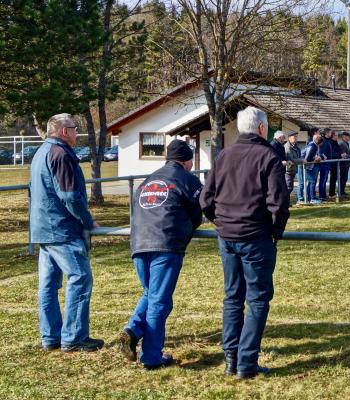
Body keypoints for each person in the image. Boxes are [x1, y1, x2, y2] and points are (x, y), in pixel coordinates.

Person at [200, 106, 290, 380]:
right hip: (255, 236)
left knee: (232, 296)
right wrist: (275, 232)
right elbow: (279, 202)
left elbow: (205, 199)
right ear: (262, 129)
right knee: (258, 299)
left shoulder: (224, 155)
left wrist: (221, 221)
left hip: (227, 236)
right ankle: (246, 362)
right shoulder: (268, 157)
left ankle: (231, 358)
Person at [118, 139, 203, 370]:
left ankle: (132, 331)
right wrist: (189, 226)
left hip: (138, 243)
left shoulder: (148, 180)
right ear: (187, 161)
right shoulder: (187, 179)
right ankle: (152, 357)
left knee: (151, 293)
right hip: (165, 244)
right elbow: (200, 209)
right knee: (159, 302)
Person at [30, 113, 103, 352]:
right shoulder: (60, 154)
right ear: (63, 132)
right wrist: (88, 221)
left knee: (48, 286)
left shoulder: (41, 152)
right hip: (62, 230)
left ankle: (51, 337)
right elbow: (70, 196)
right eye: (74, 128)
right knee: (80, 278)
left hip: (43, 229)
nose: (76, 133)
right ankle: (74, 337)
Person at [304, 133, 323, 204]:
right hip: (307, 166)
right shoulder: (312, 146)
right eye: (321, 142)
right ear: (318, 141)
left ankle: (311, 197)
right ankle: (311, 198)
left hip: (309, 165)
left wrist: (315, 157)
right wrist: (315, 159)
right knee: (312, 182)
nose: (321, 144)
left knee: (311, 182)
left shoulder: (314, 145)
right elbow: (307, 158)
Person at [284, 131, 301, 200]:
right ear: (289, 138)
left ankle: (286, 202)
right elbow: (291, 159)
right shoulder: (287, 147)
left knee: (290, 187)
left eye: (296, 136)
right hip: (288, 170)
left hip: (293, 169)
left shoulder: (296, 146)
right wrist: (302, 160)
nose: (296, 138)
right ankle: (284, 203)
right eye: (294, 137)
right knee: (288, 187)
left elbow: (298, 156)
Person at [318, 128, 333, 200]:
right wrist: (322, 155)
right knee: (323, 179)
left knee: (325, 179)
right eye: (330, 132)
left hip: (328, 163)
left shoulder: (328, 140)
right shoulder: (322, 140)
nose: (331, 134)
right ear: (326, 133)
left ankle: (323, 194)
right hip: (324, 164)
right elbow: (320, 151)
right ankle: (321, 195)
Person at [338, 131, 350, 196]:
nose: (349, 137)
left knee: (345, 178)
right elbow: (344, 155)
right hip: (343, 164)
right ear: (344, 137)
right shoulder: (342, 144)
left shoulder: (346, 143)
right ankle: (341, 192)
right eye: (348, 136)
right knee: (343, 178)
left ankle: (342, 191)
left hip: (346, 164)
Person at [328, 131, 341, 198]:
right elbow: (331, 153)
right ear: (333, 135)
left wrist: (342, 154)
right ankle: (331, 193)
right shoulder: (330, 142)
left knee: (334, 178)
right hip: (331, 162)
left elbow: (339, 151)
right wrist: (339, 155)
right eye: (336, 135)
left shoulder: (336, 143)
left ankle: (332, 193)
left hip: (335, 163)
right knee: (330, 178)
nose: (337, 137)